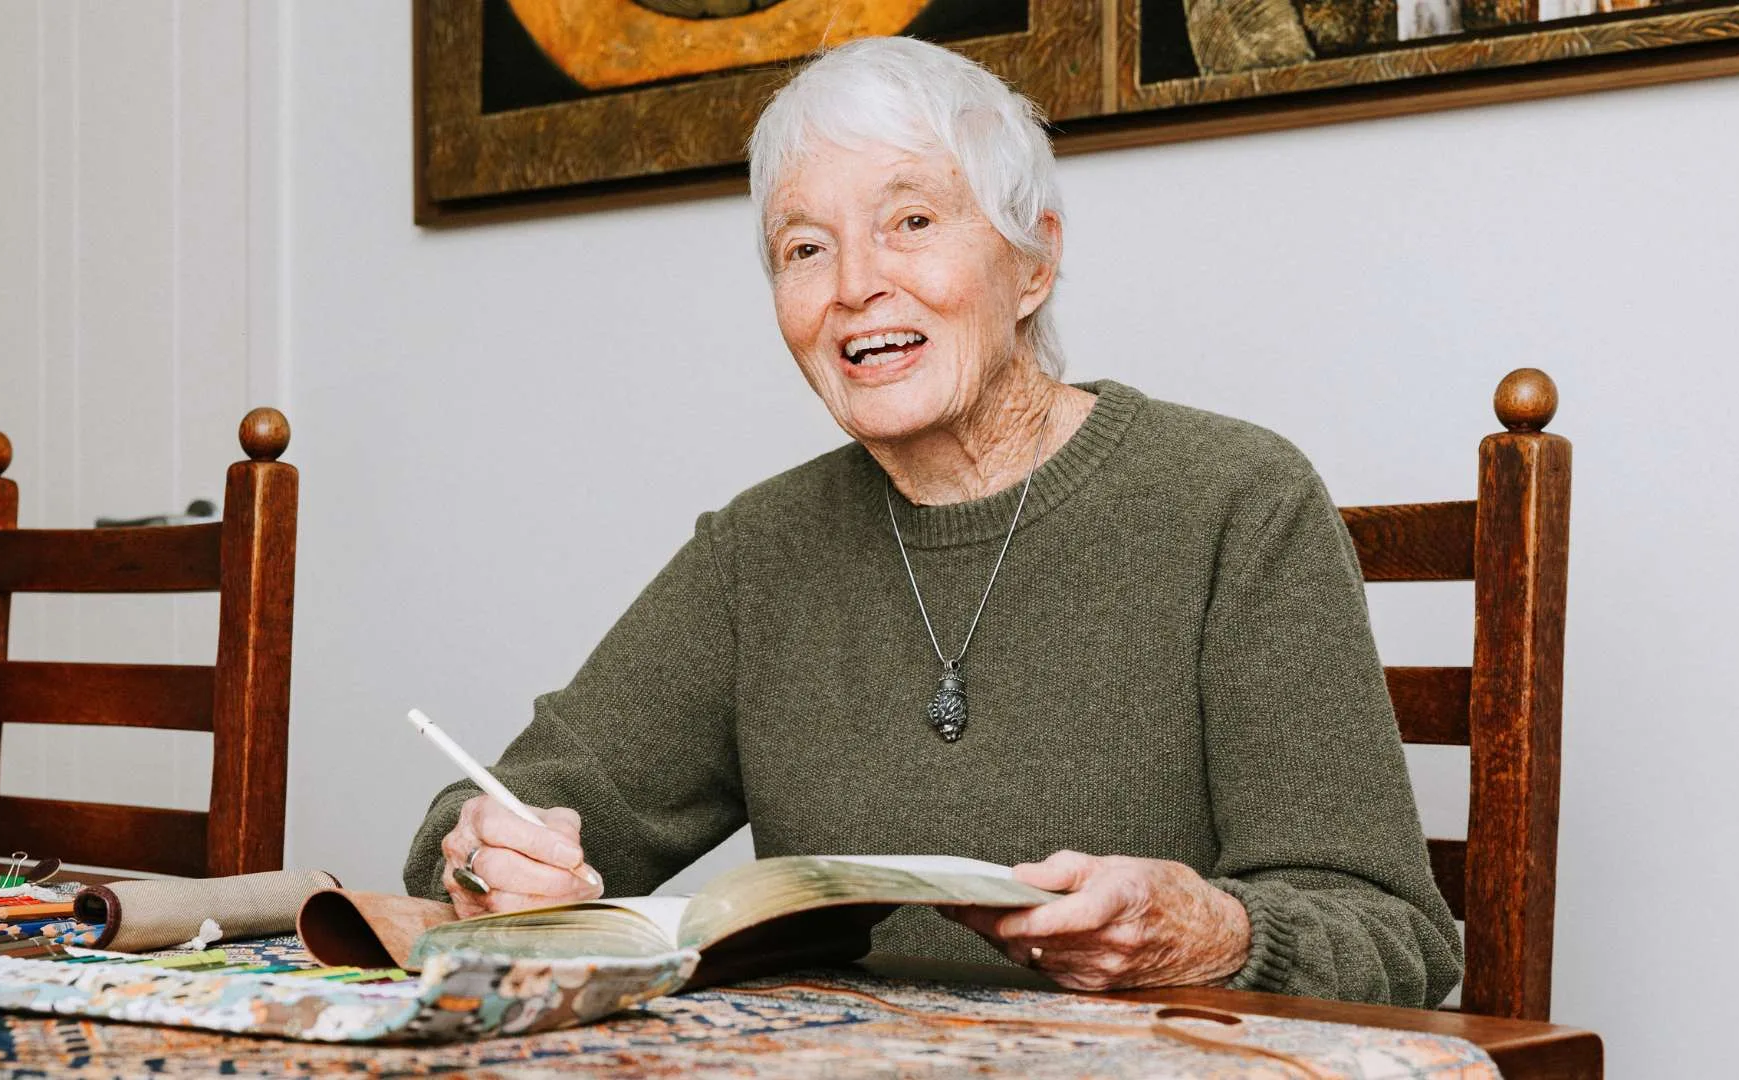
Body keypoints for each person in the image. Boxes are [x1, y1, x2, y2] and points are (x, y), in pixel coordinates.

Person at [404, 36, 1461, 1007]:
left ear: (1034, 263)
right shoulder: (758, 552)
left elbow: (1397, 941)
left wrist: (1207, 931)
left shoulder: (1237, 499)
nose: (857, 285)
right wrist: (489, 854)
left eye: (911, 222)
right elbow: (494, 810)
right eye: (804, 248)